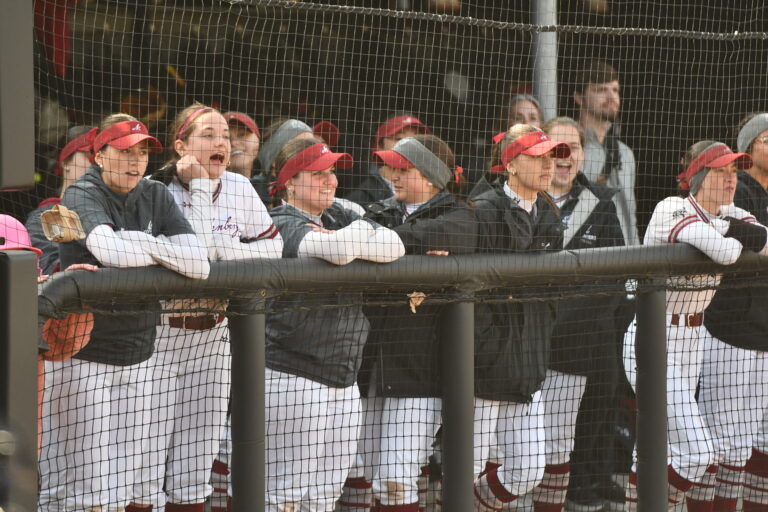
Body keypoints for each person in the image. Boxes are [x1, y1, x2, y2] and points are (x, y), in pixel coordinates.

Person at [39, 113, 210, 511]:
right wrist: (162, 251)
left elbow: (200, 264)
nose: (136, 161)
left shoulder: (155, 194)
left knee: (123, 488)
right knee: (84, 489)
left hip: (140, 352)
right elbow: (108, 250)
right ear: (100, 155)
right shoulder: (84, 193)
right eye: (124, 151)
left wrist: (139, 244)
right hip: (84, 355)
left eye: (142, 152)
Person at [127, 104, 282, 512]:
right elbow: (196, 256)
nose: (221, 144)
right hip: (160, 337)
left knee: (195, 465)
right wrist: (197, 190)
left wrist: (226, 251)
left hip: (214, 335)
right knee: (143, 461)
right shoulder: (153, 188)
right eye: (209, 135)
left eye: (226, 139)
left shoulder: (239, 186)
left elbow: (276, 247)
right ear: (180, 145)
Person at [621, 141, 768, 511]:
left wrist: (728, 227)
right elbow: (727, 252)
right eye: (720, 172)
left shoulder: (729, 211)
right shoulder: (671, 207)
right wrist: (733, 231)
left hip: (694, 338)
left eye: (733, 172)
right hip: (653, 335)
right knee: (698, 453)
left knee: (656, 444)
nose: (729, 180)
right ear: (698, 177)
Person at [265, 137, 405, 511]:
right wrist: (363, 232)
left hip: (344, 377)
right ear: (290, 182)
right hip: (293, 373)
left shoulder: (338, 217)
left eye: (331, 173)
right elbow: (340, 252)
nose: (330, 181)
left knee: (325, 496)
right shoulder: (280, 220)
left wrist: (351, 232)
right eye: (317, 174)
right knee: (284, 496)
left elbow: (395, 247)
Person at [338, 134, 476, 512]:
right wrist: (406, 245)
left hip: (421, 370)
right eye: (391, 167)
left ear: (431, 178)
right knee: (355, 470)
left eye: (403, 169)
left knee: (396, 478)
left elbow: (457, 233)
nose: (392, 175)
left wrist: (383, 244)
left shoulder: (460, 213)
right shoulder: (379, 210)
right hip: (367, 364)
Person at [505, 117, 625, 512]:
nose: (564, 156)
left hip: (578, 349)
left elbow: (613, 280)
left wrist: (554, 319)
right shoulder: (515, 202)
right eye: (555, 147)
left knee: (568, 445)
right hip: (517, 347)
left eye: (572, 147)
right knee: (509, 447)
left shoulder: (604, 203)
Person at [470, 124, 568, 510]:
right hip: (482, 367)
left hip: (528, 362)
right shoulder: (482, 209)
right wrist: (488, 344)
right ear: (510, 163)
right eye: (537, 157)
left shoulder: (548, 211)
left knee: (528, 469)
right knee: (468, 466)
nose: (548, 165)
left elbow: (550, 296)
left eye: (550, 156)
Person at [695, 113, 768, 511]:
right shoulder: (737, 192)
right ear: (749, 149)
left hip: (764, 334)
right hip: (731, 331)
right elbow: (740, 234)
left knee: (753, 445)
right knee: (721, 445)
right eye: (766, 139)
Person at [574, 60, 639, 246]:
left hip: (625, 263)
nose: (611, 96)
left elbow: (629, 215)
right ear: (579, 97)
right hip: (581, 259)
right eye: (601, 90)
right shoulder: (569, 148)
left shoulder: (625, 153)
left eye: (615, 90)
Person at [26, 125, 96, 274]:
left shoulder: (116, 209)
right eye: (88, 154)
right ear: (65, 162)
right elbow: (51, 270)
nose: (95, 163)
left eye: (101, 157)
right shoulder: (48, 214)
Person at [345, 114, 432, 206]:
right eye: (398, 139)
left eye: (416, 140)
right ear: (379, 146)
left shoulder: (437, 193)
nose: (409, 145)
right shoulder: (359, 200)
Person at [223, 111, 260, 178]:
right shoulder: (206, 186)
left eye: (242, 134)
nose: (233, 143)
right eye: (226, 137)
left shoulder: (271, 186)